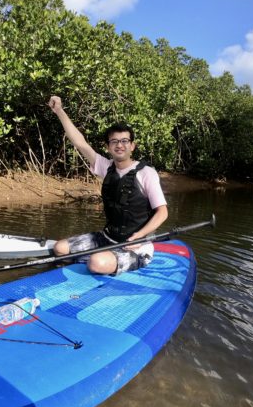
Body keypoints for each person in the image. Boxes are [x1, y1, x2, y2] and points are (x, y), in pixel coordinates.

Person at [48, 95, 168, 275]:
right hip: (106, 238)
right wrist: (59, 111)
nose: (120, 145)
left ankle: (105, 261)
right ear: (108, 147)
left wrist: (140, 235)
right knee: (60, 248)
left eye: (124, 141)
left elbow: (162, 212)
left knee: (96, 263)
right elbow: (80, 143)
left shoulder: (146, 173)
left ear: (132, 146)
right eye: (114, 141)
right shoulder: (106, 167)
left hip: (135, 246)